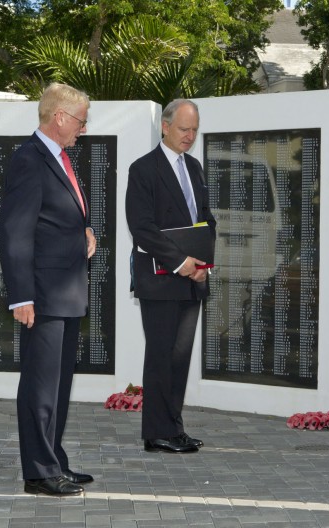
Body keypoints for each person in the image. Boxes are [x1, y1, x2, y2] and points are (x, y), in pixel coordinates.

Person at [0, 82, 96, 495]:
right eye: (80, 120)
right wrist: (21, 296)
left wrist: (84, 232)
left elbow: (55, 219)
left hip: (66, 291)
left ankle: (53, 460)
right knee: (40, 386)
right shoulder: (29, 160)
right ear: (59, 117)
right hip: (43, 295)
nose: (83, 129)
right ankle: (39, 473)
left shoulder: (59, 157)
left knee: (57, 385)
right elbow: (15, 233)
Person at [125, 99, 216, 453]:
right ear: (164, 127)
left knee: (180, 358)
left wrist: (204, 263)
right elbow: (142, 227)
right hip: (162, 278)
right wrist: (182, 262)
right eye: (183, 129)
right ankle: (156, 432)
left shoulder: (194, 167)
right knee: (161, 355)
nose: (189, 136)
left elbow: (205, 218)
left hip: (193, 278)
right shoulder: (143, 169)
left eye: (194, 129)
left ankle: (174, 428)